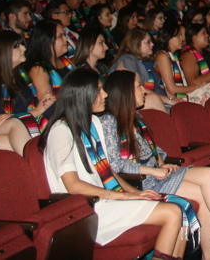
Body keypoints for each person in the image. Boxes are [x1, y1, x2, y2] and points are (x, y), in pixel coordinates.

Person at [100, 71, 210, 259]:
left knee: (209, 175)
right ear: (125, 91)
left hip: (156, 175)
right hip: (141, 182)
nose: (144, 91)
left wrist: (162, 163)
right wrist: (153, 170)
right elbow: (114, 165)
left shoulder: (135, 117)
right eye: (139, 86)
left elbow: (152, 149)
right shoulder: (109, 121)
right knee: (202, 193)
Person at [37, 69, 190, 259]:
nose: (105, 95)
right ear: (84, 95)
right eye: (99, 90)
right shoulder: (60, 131)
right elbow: (73, 186)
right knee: (173, 213)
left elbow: (108, 172)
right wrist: (123, 197)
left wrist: (134, 193)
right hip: (86, 208)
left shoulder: (93, 122)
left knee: (179, 211)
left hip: (106, 200)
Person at [26, 20, 75, 103]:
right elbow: (47, 104)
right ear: (47, 40)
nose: (66, 39)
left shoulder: (66, 62)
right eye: (60, 36)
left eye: (65, 35)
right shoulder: (38, 70)